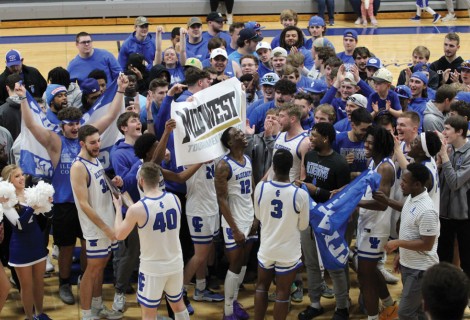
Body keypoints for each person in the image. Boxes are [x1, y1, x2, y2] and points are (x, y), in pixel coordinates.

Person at [17, 74, 128, 307]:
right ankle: (64, 282)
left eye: (78, 124)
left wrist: (119, 90)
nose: (76, 128)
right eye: (71, 125)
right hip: (65, 204)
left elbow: (109, 116)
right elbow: (29, 124)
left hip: (89, 203)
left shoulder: (87, 137)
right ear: (62, 126)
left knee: (89, 245)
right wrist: (23, 100)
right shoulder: (54, 141)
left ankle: (86, 279)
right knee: (66, 247)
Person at [113, 162, 190, 320]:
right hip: (175, 263)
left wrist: (117, 209)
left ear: (140, 181)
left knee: (148, 313)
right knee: (178, 305)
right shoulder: (175, 199)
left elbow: (119, 235)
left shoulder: (138, 209)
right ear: (159, 179)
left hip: (153, 268)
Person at [297, 122, 351, 320]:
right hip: (309, 216)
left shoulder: (340, 163)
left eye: (314, 135)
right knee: (311, 264)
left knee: (334, 265)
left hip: (330, 221)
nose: (310, 138)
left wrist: (317, 191)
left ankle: (342, 307)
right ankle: (314, 303)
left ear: (326, 139)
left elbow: (342, 198)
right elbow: (306, 184)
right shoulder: (310, 155)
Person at [70, 125, 124, 320]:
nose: (97, 145)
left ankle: (97, 305)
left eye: (99, 140)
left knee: (100, 267)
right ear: (82, 143)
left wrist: (113, 182)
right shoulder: (78, 166)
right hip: (95, 228)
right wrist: (106, 229)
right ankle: (86, 314)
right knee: (91, 270)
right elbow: (84, 204)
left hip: (107, 222)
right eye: (93, 142)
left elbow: (99, 188)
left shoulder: (95, 160)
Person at [373, 163, 439, 320]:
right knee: (418, 311)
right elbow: (407, 209)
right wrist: (401, 255)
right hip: (410, 265)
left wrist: (397, 243)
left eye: (404, 181)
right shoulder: (413, 197)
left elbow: (427, 244)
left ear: (417, 184)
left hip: (420, 270)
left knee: (404, 313)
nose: (400, 183)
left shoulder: (428, 210)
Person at [254, 149, 310, 320]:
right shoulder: (299, 194)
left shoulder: (261, 187)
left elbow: (258, 216)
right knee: (283, 292)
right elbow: (303, 225)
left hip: (267, 247)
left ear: (273, 166)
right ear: (291, 167)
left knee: (261, 286)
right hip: (288, 251)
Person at [215, 127, 257, 320]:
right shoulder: (223, 166)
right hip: (234, 221)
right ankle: (228, 311)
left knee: (243, 262)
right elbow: (221, 200)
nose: (243, 135)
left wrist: (256, 216)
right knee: (234, 264)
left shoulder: (247, 159)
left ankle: (235, 301)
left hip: (250, 217)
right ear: (230, 143)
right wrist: (234, 228)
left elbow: (253, 188)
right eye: (238, 135)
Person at [356, 125, 398, 320]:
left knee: (365, 276)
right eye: (366, 141)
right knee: (370, 271)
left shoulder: (385, 167)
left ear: (380, 145)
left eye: (370, 142)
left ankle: (373, 317)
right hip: (367, 223)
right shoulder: (375, 163)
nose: (366, 145)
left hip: (376, 227)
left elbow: (382, 204)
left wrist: (355, 203)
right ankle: (389, 305)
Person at [0, 165, 52, 320]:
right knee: (27, 286)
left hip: (37, 243)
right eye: (16, 176)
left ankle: (40, 314)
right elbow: (19, 225)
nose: (22, 178)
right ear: (9, 181)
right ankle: (29, 317)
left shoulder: (30, 193)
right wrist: (32, 207)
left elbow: (48, 213)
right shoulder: (6, 201)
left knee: (39, 283)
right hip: (20, 248)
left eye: (22, 174)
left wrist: (48, 202)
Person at [437, 115, 470, 286]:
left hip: (465, 216)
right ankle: (445, 294)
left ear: (460, 132)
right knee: (443, 259)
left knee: (467, 261)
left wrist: (445, 157)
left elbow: (455, 182)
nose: (444, 132)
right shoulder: (448, 149)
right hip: (444, 214)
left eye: (447, 129)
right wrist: (439, 162)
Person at [0, 74, 22, 140]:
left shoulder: (1, 111)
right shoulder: (34, 107)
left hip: (9, 149)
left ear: (7, 88)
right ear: (23, 86)